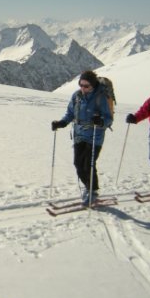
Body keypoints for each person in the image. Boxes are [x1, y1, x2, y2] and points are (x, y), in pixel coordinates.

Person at [51, 70, 113, 206]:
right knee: (78, 165)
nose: (83, 88)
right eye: (81, 85)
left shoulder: (100, 97)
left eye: (86, 86)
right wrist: (61, 123)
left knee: (88, 165)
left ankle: (93, 192)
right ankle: (88, 187)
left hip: (94, 137)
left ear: (93, 85)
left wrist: (101, 122)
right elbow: (70, 113)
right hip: (79, 136)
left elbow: (109, 119)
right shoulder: (77, 96)